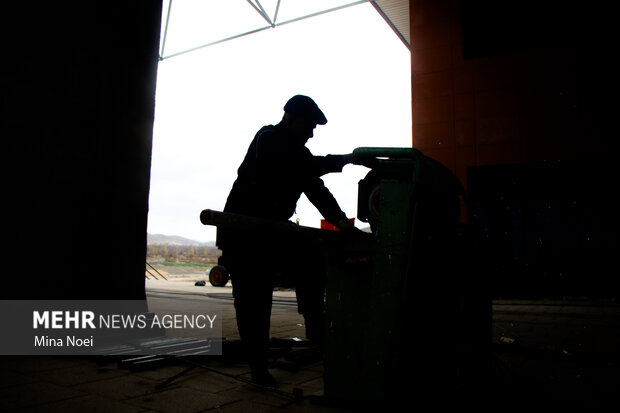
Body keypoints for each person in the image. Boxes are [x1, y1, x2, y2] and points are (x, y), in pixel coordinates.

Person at [216, 95, 359, 386]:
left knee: (311, 262)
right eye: (309, 126)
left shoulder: (298, 157)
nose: (312, 133)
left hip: (271, 232)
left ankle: (316, 331)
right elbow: (294, 166)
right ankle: (257, 368)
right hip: (244, 235)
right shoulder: (268, 139)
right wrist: (344, 160)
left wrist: (343, 224)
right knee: (254, 299)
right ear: (290, 120)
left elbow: (318, 192)